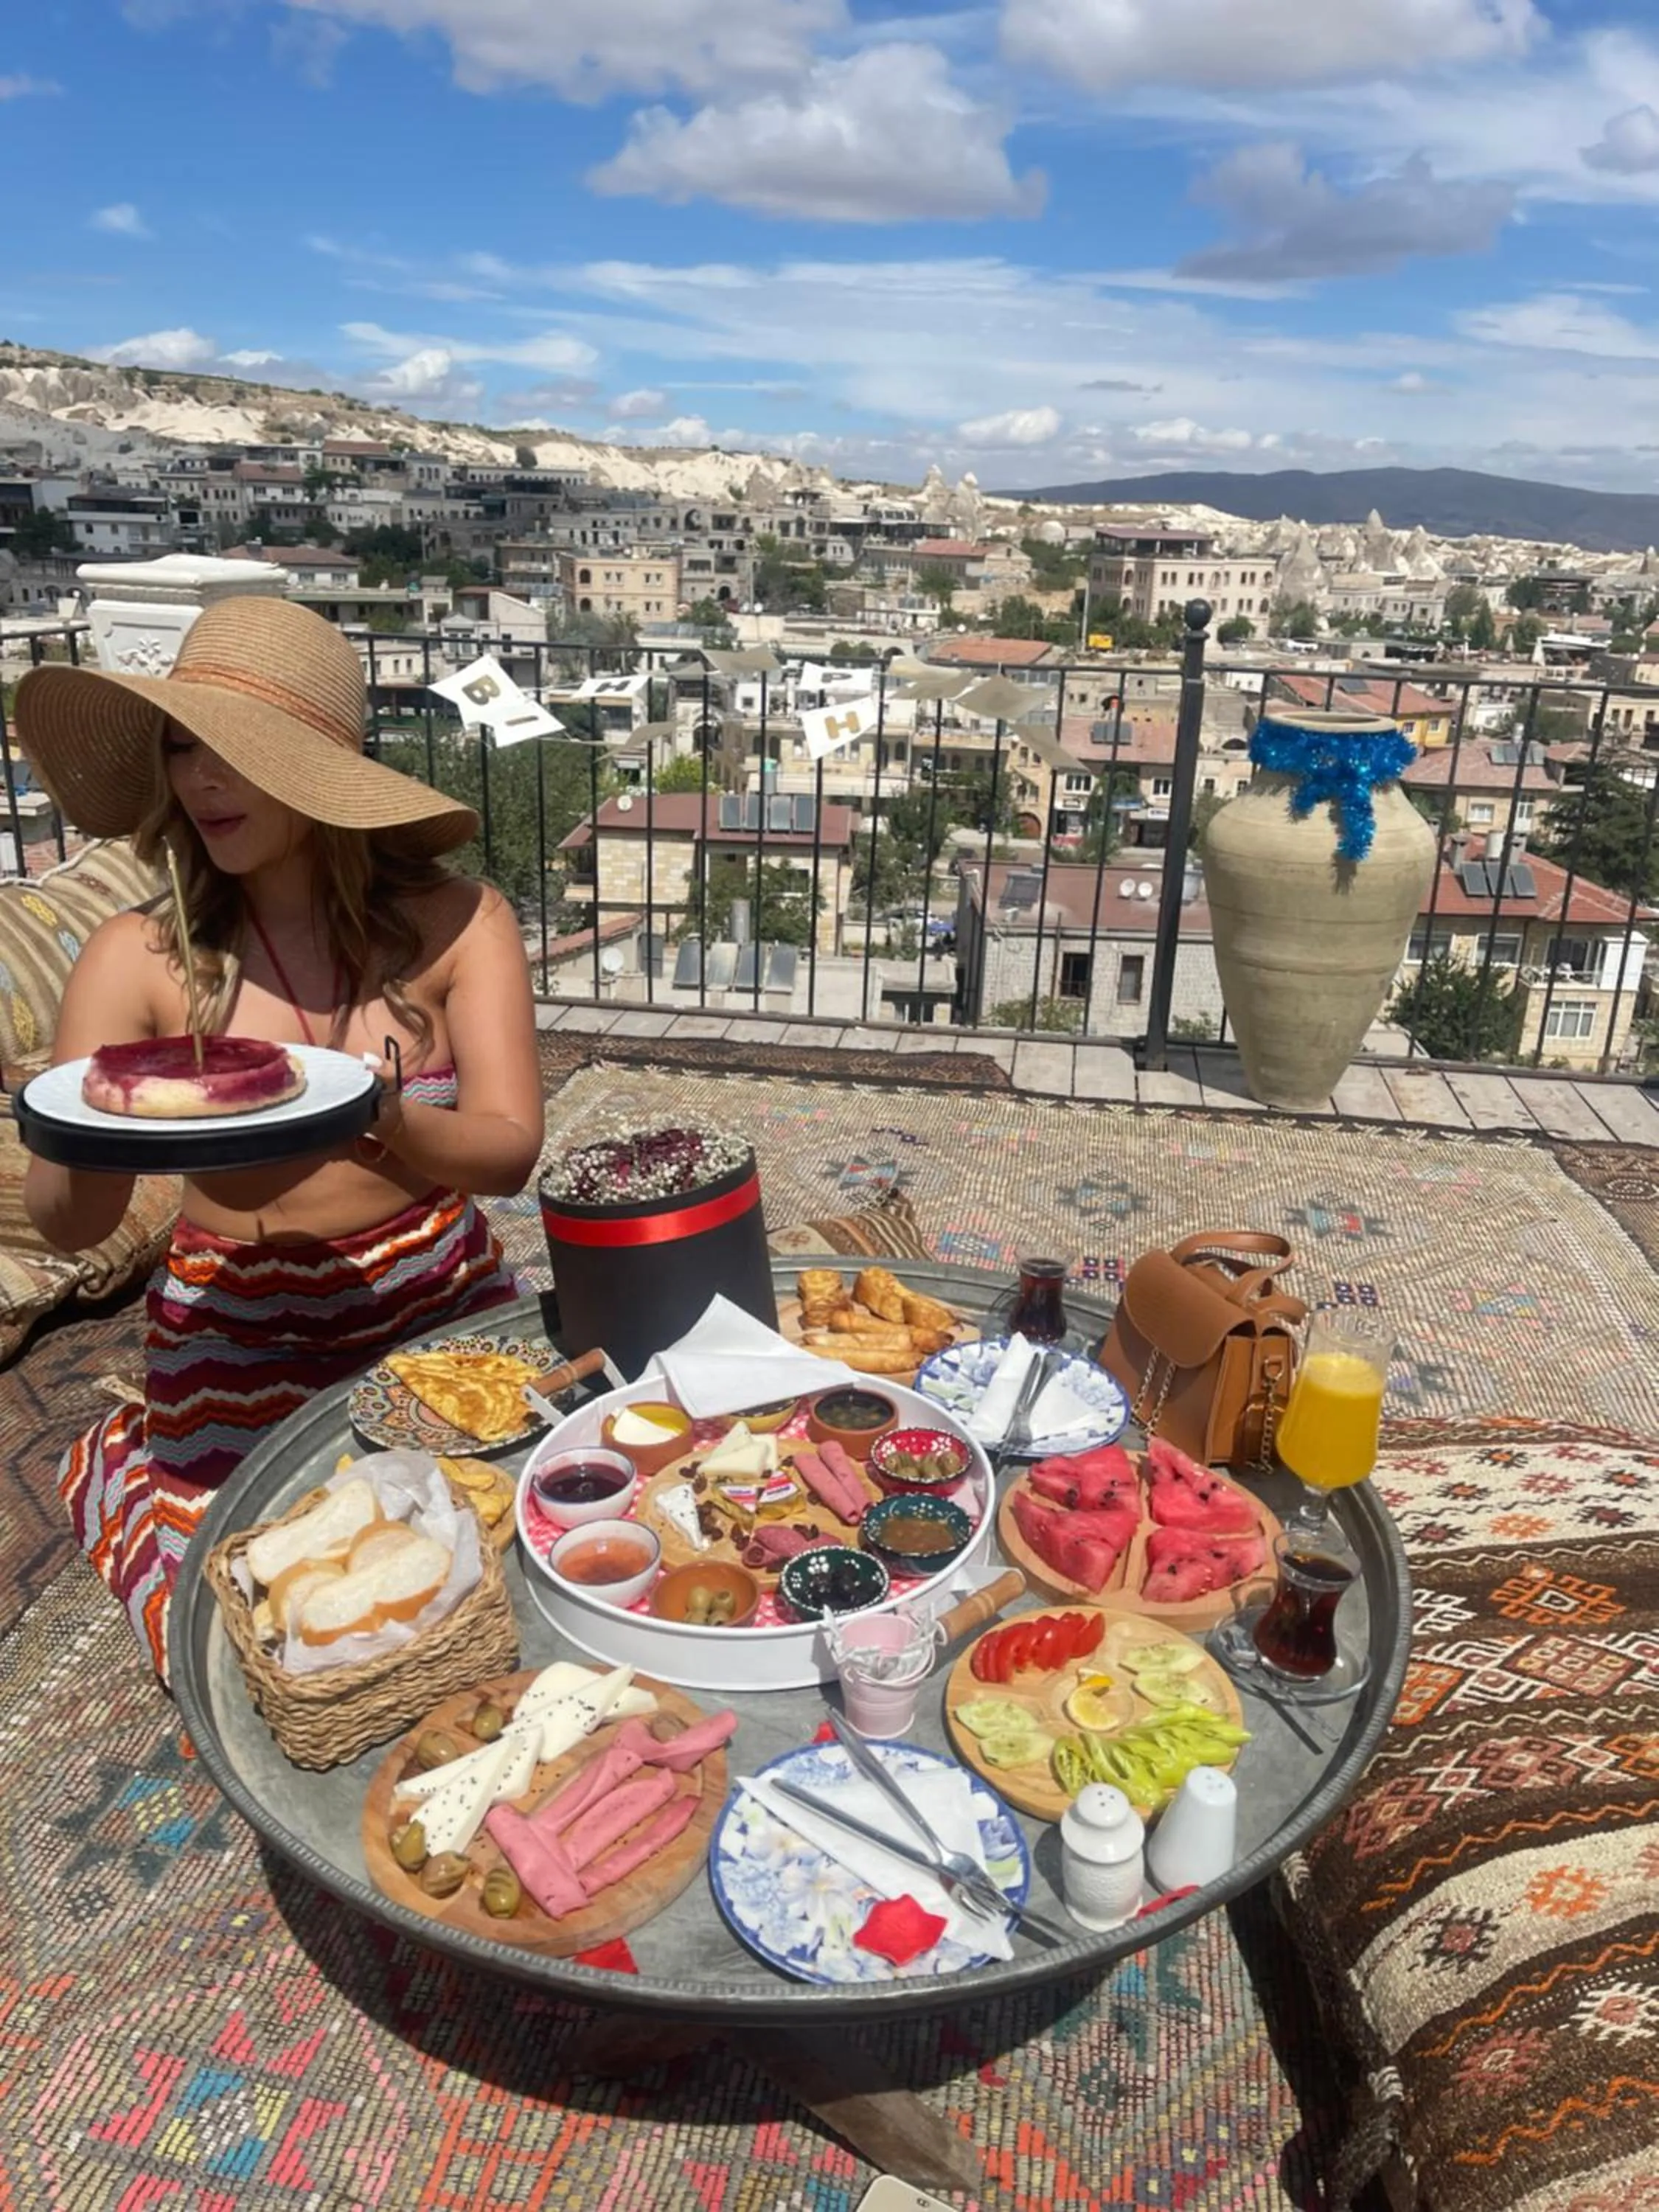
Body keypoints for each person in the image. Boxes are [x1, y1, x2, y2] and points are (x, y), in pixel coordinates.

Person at [16, 597, 544, 1682]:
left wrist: (388, 1124)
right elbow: (67, 1225)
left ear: (314, 769)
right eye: (180, 747)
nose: (201, 781)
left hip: (437, 1289)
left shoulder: (461, 923)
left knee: (516, 1578)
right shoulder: (138, 957)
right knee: (270, 1635)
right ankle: (130, 1466)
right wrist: (90, 1133)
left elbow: (505, 1150)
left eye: (234, 753)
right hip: (237, 1312)